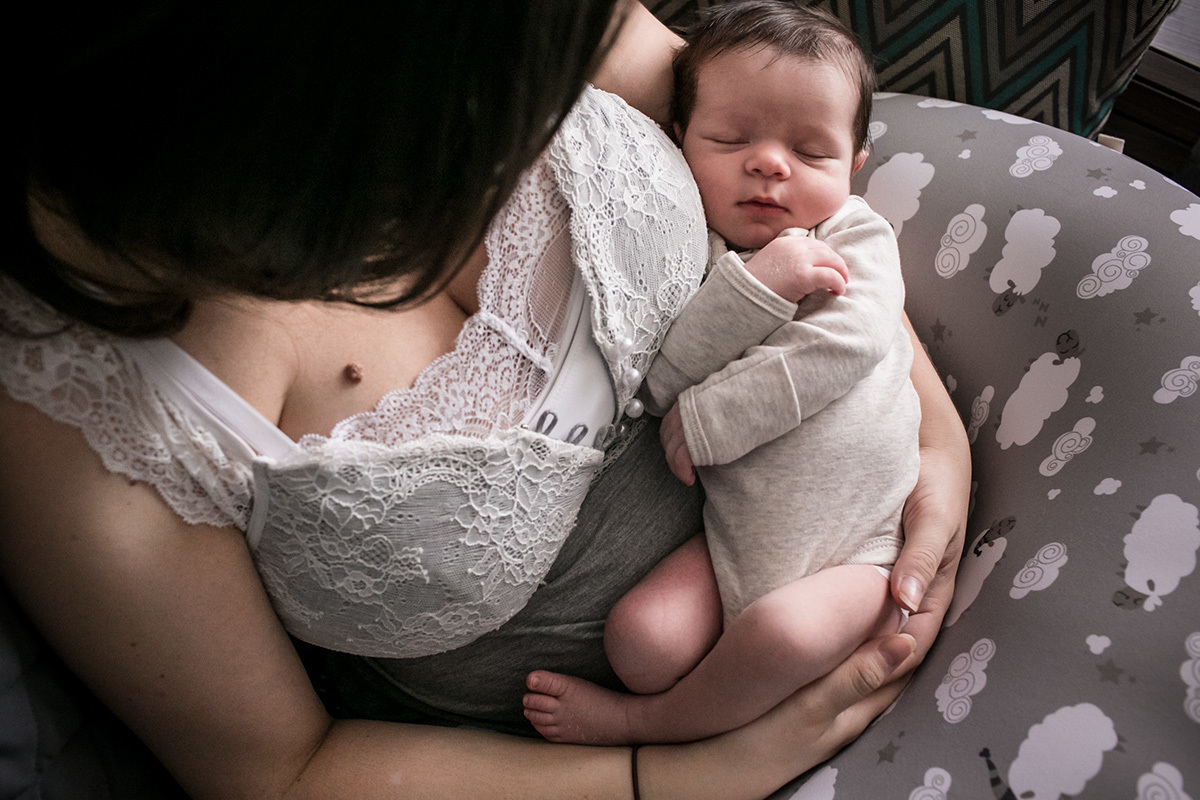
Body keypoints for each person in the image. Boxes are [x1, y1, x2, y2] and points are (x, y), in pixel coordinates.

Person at [1, 2, 969, 799]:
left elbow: (774, 127)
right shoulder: (75, 398)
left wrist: (929, 431)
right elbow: (283, 769)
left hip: (865, 522)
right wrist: (679, 772)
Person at [522, 1, 922, 746]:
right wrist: (760, 285)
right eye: (731, 138)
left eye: (811, 152)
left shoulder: (854, 233)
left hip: (860, 549)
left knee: (785, 634)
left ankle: (650, 725)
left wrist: (713, 419)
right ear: (677, 141)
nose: (770, 164)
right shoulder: (690, 252)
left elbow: (851, 343)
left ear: (856, 165)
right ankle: (694, 691)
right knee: (642, 642)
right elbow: (661, 378)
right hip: (736, 540)